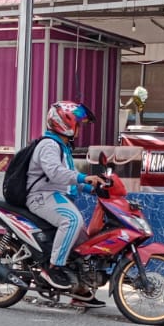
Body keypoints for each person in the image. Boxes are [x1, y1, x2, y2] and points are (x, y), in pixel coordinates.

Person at [24, 101, 105, 293]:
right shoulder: (49, 145)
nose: (80, 128)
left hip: (55, 195)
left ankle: (81, 292)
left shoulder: (63, 146)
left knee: (84, 245)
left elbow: (68, 179)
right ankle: (53, 268)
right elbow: (56, 174)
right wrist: (85, 178)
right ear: (65, 124)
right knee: (72, 220)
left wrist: (91, 188)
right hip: (41, 197)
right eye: (79, 123)